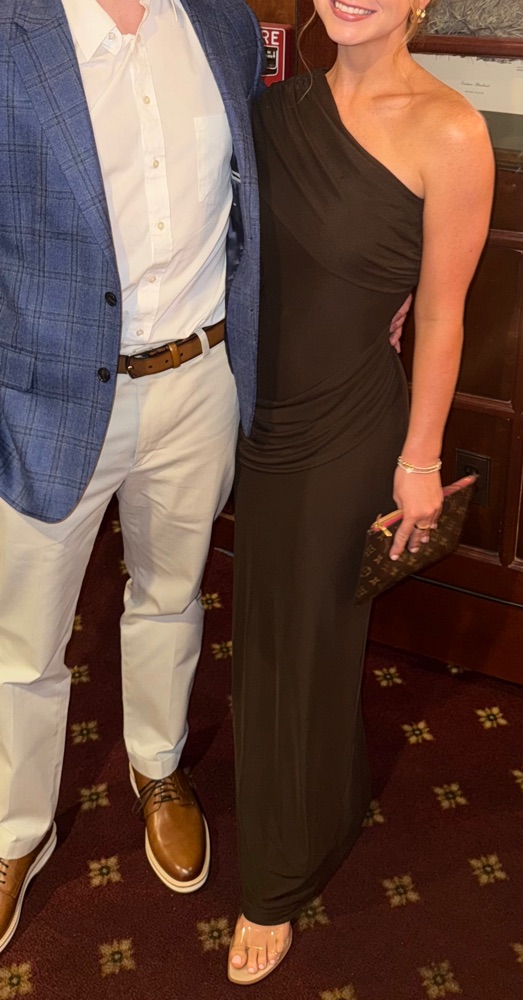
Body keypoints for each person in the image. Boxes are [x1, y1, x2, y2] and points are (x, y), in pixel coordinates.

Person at [228, 0, 495, 984]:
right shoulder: (271, 110)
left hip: (347, 430)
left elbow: (442, 314)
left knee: (297, 646)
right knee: (276, 632)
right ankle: (324, 799)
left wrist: (419, 457)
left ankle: (274, 882)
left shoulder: (451, 131)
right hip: (254, 413)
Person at [0, 0, 264, 953]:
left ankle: (158, 764)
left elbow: (251, 205)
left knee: (171, 594)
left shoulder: (225, 26)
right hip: (43, 395)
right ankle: (15, 833)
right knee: (21, 639)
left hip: (199, 377)